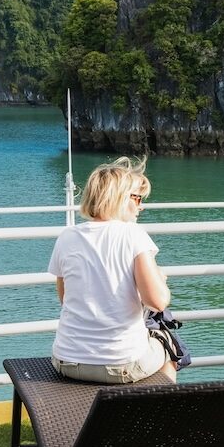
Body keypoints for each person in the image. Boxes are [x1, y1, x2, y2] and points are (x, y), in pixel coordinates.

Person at [48, 156, 176, 383]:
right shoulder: (133, 235)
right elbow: (157, 301)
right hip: (121, 365)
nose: (141, 206)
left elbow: (65, 298)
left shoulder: (67, 237)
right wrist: (159, 277)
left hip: (66, 361)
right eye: (137, 199)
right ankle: (162, 415)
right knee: (170, 347)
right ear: (119, 198)